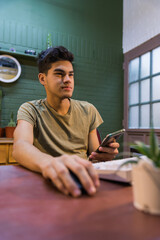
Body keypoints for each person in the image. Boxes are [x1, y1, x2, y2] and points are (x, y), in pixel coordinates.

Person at [13, 46, 119, 198]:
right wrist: (49, 163)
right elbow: (20, 146)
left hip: (83, 179)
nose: (68, 80)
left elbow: (96, 154)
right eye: (59, 74)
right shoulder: (30, 109)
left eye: (71, 74)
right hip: (49, 180)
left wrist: (105, 155)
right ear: (43, 79)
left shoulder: (88, 110)